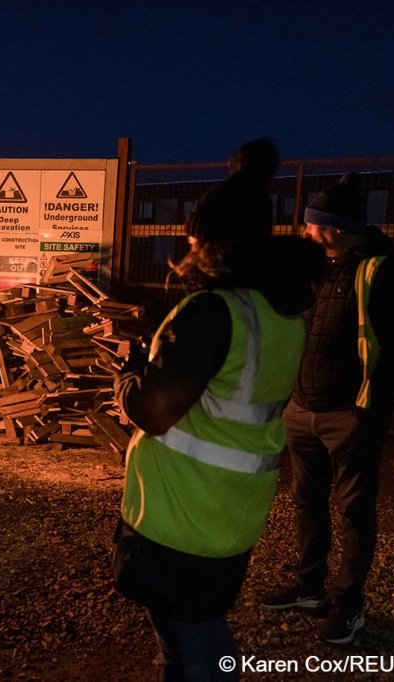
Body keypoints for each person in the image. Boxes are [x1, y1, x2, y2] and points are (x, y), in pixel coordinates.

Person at [110, 139, 326, 680]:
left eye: (192, 238)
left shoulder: (213, 311)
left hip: (182, 514)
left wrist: (129, 371)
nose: (185, 246)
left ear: (213, 244)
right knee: (201, 630)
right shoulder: (276, 311)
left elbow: (153, 409)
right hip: (229, 512)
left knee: (188, 648)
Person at [259, 174, 394, 645]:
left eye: (312, 225)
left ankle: (349, 605)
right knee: (306, 500)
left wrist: (370, 411)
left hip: (350, 415)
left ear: (334, 228)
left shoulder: (384, 270)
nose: (305, 232)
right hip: (301, 409)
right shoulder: (316, 267)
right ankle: (309, 587)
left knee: (354, 509)